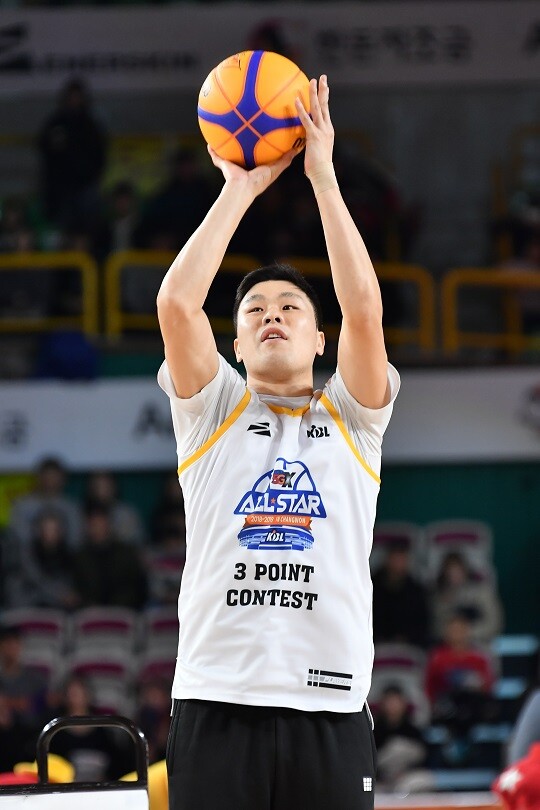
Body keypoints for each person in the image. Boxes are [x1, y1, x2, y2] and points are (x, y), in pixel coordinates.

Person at [156, 75, 399, 810]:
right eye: (254, 309)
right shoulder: (211, 412)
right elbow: (176, 304)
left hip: (330, 705)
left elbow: (364, 310)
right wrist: (239, 190)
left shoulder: (355, 417)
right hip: (216, 698)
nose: (272, 315)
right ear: (234, 344)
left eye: (291, 306)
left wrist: (323, 177)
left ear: (321, 339)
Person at [431, 550, 503, 645]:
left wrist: (467, 632)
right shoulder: (439, 596)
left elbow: (494, 623)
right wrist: (453, 633)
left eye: (457, 570)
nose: (454, 575)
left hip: (480, 643)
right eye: (450, 571)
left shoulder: (482, 592)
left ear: (465, 570)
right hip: (448, 645)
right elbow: (436, 627)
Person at [372, 537, 430, 648]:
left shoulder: (416, 590)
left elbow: (422, 624)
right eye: (395, 559)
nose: (398, 564)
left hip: (410, 645)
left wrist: (406, 638)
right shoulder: (373, 587)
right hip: (376, 643)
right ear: (388, 560)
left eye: (402, 559)